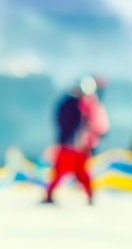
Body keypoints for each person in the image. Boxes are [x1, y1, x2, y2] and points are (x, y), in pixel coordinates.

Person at [45, 76, 109, 204]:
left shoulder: (82, 104)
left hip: (78, 146)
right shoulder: (75, 104)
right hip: (71, 145)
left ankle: (89, 196)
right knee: (64, 172)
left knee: (80, 173)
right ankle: (50, 195)